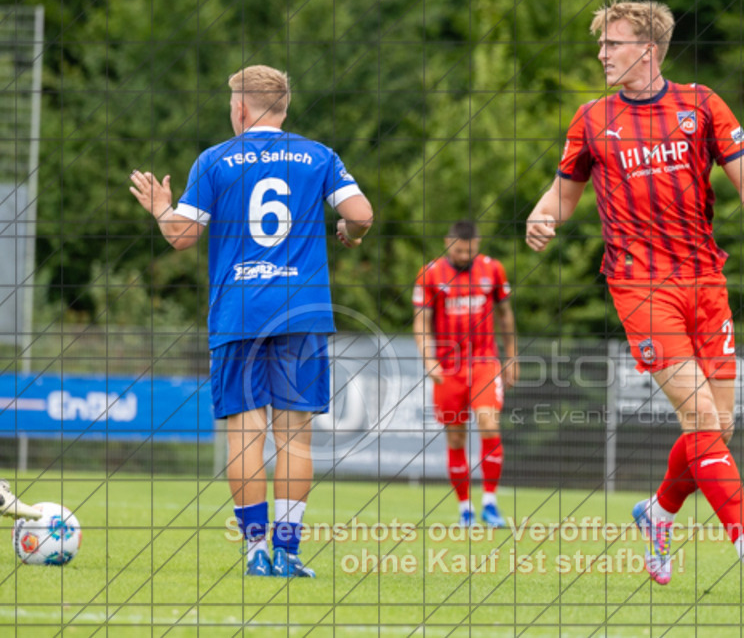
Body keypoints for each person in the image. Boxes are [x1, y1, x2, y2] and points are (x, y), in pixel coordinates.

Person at [526, 0, 744, 589]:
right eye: (600, 45)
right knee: (699, 414)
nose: (602, 54)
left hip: (706, 282)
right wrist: (541, 218)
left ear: (647, 50)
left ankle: (658, 511)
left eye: (613, 44)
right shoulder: (592, 118)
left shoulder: (701, 105)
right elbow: (562, 196)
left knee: (714, 428)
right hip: (640, 283)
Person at [130, 65, 373, 578]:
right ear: (282, 108)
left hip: (239, 314)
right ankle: (289, 552)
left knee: (245, 437)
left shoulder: (215, 160)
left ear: (241, 108)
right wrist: (349, 231)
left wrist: (160, 208)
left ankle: (256, 552)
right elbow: (363, 213)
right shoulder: (317, 156)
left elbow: (182, 237)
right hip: (302, 313)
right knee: (295, 441)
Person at [413, 220, 518, 527]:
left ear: (478, 244)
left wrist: (512, 357)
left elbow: (506, 314)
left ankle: (489, 503)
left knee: (489, 423)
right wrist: (428, 358)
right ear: (448, 243)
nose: (464, 255)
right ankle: (465, 510)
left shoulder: (492, 269)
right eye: (459, 250)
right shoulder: (430, 273)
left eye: (469, 250)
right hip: (448, 368)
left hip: (484, 362)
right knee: (456, 438)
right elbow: (421, 321)